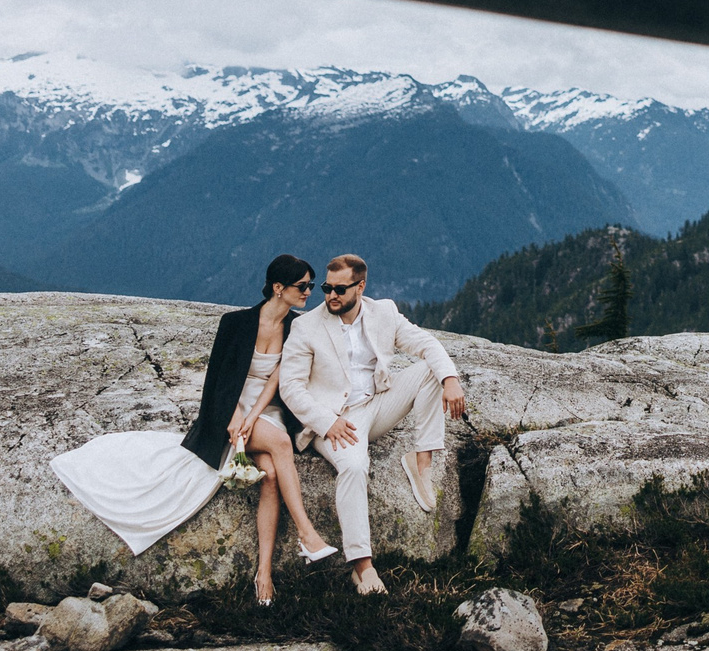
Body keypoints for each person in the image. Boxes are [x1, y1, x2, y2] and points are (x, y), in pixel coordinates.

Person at [51, 254, 339, 603]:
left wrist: (252, 419)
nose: (309, 291)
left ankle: (263, 573)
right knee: (279, 445)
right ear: (278, 288)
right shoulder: (235, 323)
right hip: (228, 409)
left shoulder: (297, 326)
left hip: (268, 408)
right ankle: (307, 535)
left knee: (271, 474)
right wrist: (236, 420)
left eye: (311, 285)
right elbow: (217, 381)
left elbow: (277, 380)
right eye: (302, 286)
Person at [279, 252, 467, 595]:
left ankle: (421, 458)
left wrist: (450, 379)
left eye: (340, 289)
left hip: (376, 405)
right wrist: (326, 421)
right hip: (334, 418)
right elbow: (290, 386)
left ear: (360, 286)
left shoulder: (383, 312)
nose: (330, 295)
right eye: (326, 288)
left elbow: (426, 344)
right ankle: (362, 567)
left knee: (430, 371)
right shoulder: (306, 326)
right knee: (353, 467)